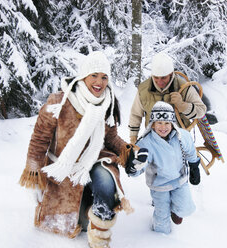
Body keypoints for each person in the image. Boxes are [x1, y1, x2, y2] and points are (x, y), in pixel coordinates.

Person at [19, 51, 147, 248]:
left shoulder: (108, 103)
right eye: (94, 75)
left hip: (95, 159)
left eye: (104, 77)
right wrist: (35, 176)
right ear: (83, 76)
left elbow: (110, 137)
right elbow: (39, 140)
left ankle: (100, 240)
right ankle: (85, 207)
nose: (99, 82)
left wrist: (129, 152)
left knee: (106, 184)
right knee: (74, 223)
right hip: (64, 169)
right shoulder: (58, 102)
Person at [126, 101, 201, 234]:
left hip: (180, 180)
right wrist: (133, 167)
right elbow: (140, 164)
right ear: (152, 124)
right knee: (162, 217)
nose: (163, 127)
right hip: (159, 185)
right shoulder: (146, 143)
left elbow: (190, 151)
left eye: (167, 123)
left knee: (186, 208)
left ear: (172, 123)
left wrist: (194, 166)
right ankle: (160, 235)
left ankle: (175, 209)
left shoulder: (182, 136)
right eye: (159, 122)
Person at [128, 52, 207, 144]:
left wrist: (183, 106)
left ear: (171, 74)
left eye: (163, 78)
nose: (159, 82)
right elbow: (136, 114)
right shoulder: (144, 89)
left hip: (179, 139)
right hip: (153, 139)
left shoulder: (184, 88)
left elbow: (201, 110)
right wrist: (133, 138)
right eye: (156, 77)